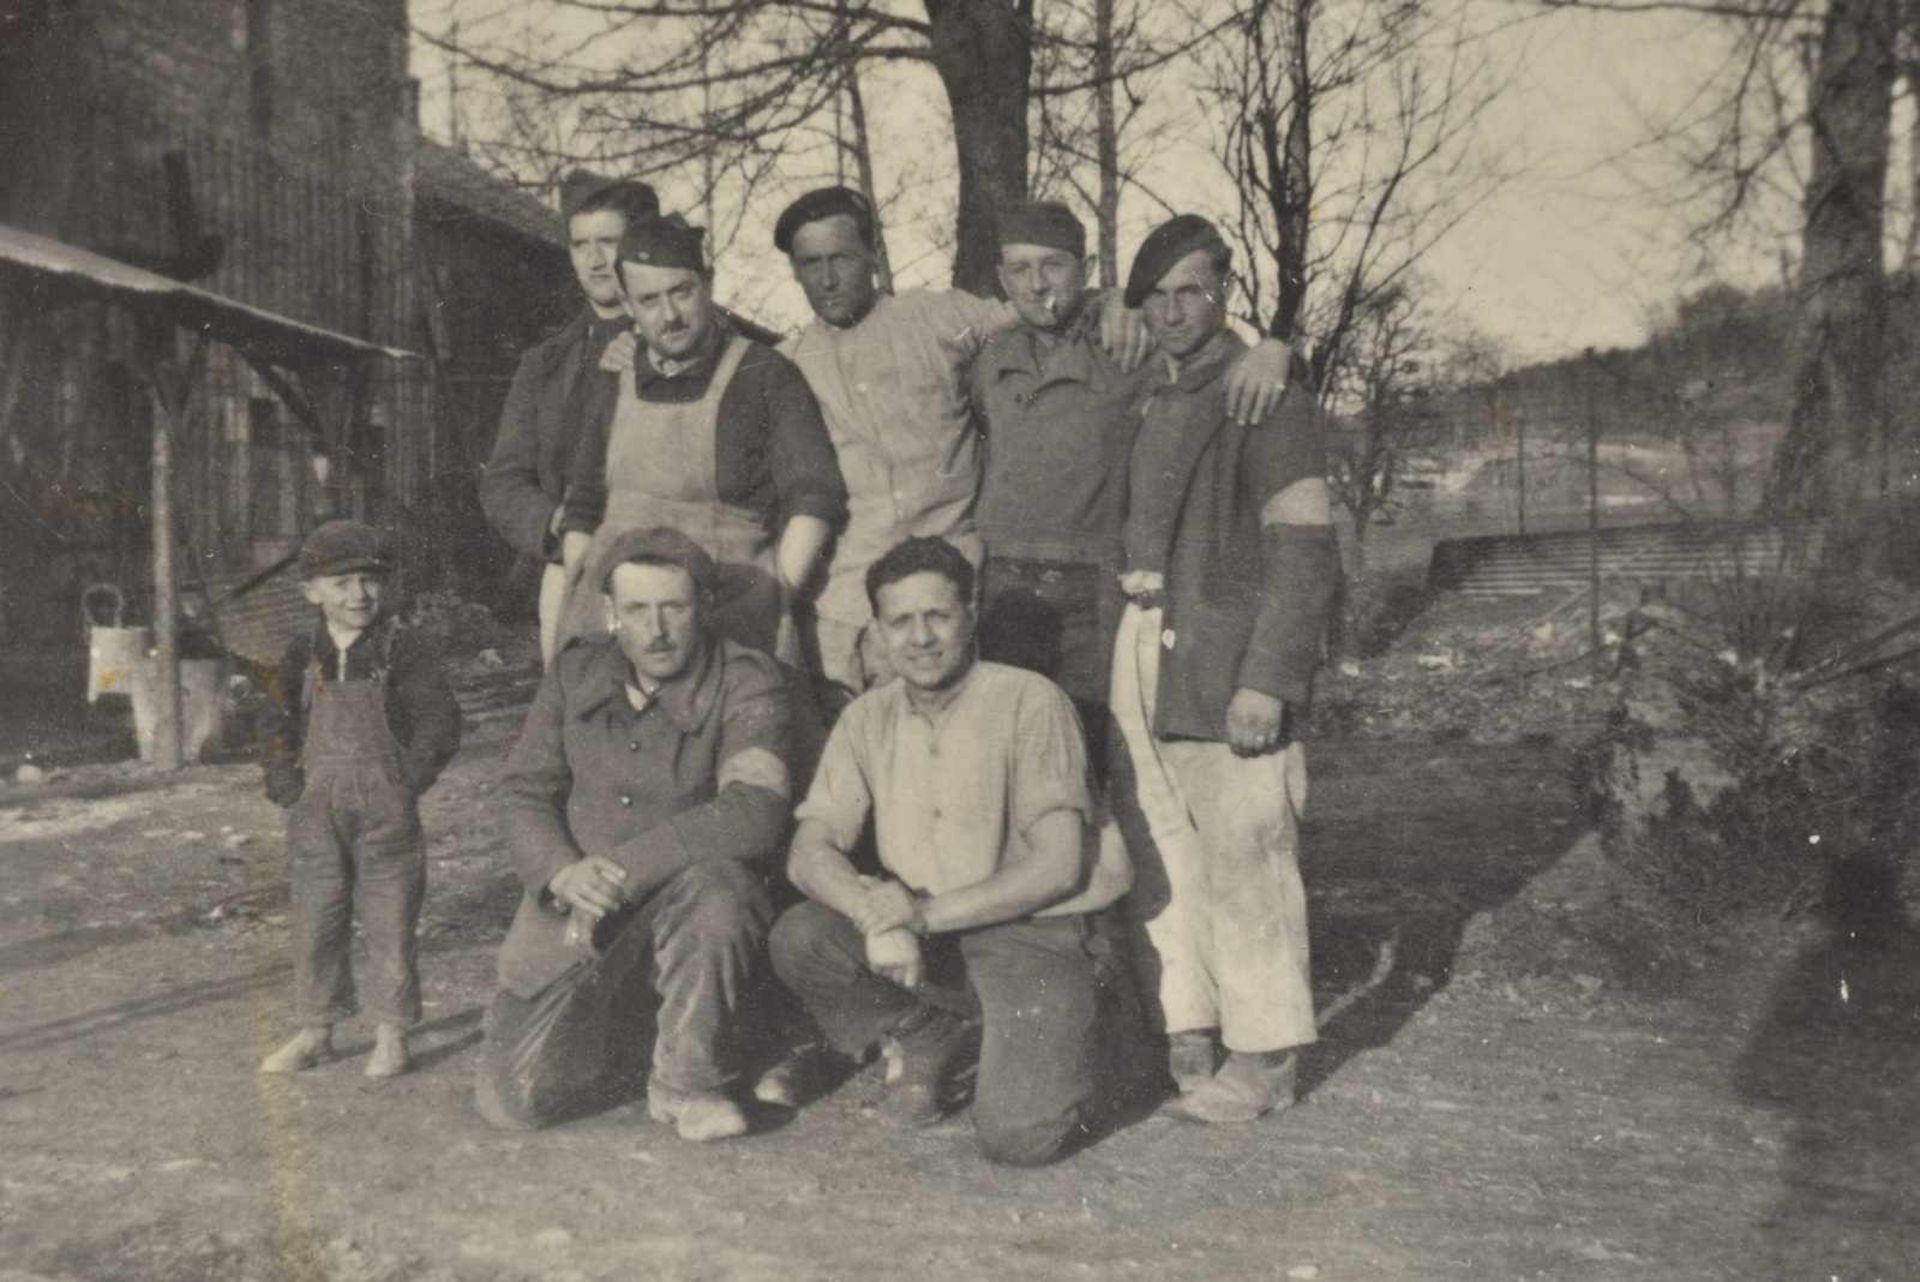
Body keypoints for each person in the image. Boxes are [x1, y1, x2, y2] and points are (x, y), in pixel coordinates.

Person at [768, 536, 1131, 1166]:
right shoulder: (865, 718)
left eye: (937, 615)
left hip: (1031, 936)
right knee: (801, 937)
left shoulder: (1030, 701)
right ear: (877, 631)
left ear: (969, 611)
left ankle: (1103, 1039)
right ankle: (928, 1036)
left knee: (1022, 1138)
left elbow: (1057, 865)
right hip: (932, 939)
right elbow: (809, 850)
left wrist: (919, 916)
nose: (920, 638)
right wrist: (870, 912)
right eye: (899, 621)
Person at [1110, 215, 1341, 1124]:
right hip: (1142, 644)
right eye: (1156, 296)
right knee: (1165, 846)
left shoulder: (1267, 397)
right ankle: (1190, 1035)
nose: (1172, 312)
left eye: (1190, 292)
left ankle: (1266, 1056)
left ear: (1225, 294)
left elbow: (1305, 550)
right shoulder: (1143, 392)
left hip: (1226, 652)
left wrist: (1271, 676)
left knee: (1249, 850)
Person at [474, 527, 797, 1142]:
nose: (657, 630)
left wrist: (618, 872)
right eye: (637, 610)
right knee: (517, 1103)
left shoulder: (747, 678)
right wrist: (562, 872)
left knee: (720, 888)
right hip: (576, 915)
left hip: (686, 911)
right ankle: (650, 1039)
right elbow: (524, 790)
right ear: (610, 613)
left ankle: (686, 1082)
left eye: (674, 608)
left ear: (703, 606)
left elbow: (755, 807)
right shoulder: (575, 671)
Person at [971, 200, 1290, 772]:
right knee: (1009, 760)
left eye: (1054, 265)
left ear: (1087, 268)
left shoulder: (1128, 338)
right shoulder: (990, 356)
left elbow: (1205, 344)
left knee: (1091, 761)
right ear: (1000, 278)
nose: (1037, 283)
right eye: (1019, 269)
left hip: (1089, 592)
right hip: (1002, 588)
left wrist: (1277, 350)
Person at [553, 213, 846, 663]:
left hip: (731, 612)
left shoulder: (764, 374)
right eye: (649, 300)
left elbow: (814, 496)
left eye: (681, 293)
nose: (669, 316)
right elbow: (584, 503)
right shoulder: (614, 377)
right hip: (617, 616)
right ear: (628, 306)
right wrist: (580, 593)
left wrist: (777, 593)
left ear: (707, 285)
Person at [259, 520, 462, 1079]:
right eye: (342, 582)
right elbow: (276, 722)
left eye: (370, 581)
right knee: (316, 918)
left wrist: (409, 781)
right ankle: (315, 1030)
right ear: (312, 591)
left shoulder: (403, 647)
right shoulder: (301, 651)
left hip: (385, 809)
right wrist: (284, 782)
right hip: (315, 809)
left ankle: (392, 1034)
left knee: (390, 921)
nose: (358, 595)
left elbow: (439, 722)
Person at [480, 172, 660, 666]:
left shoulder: (679, 342)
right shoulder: (546, 364)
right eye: (581, 245)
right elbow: (503, 481)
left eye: (609, 242)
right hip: (571, 569)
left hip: (664, 571)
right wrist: (553, 521)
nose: (595, 260)